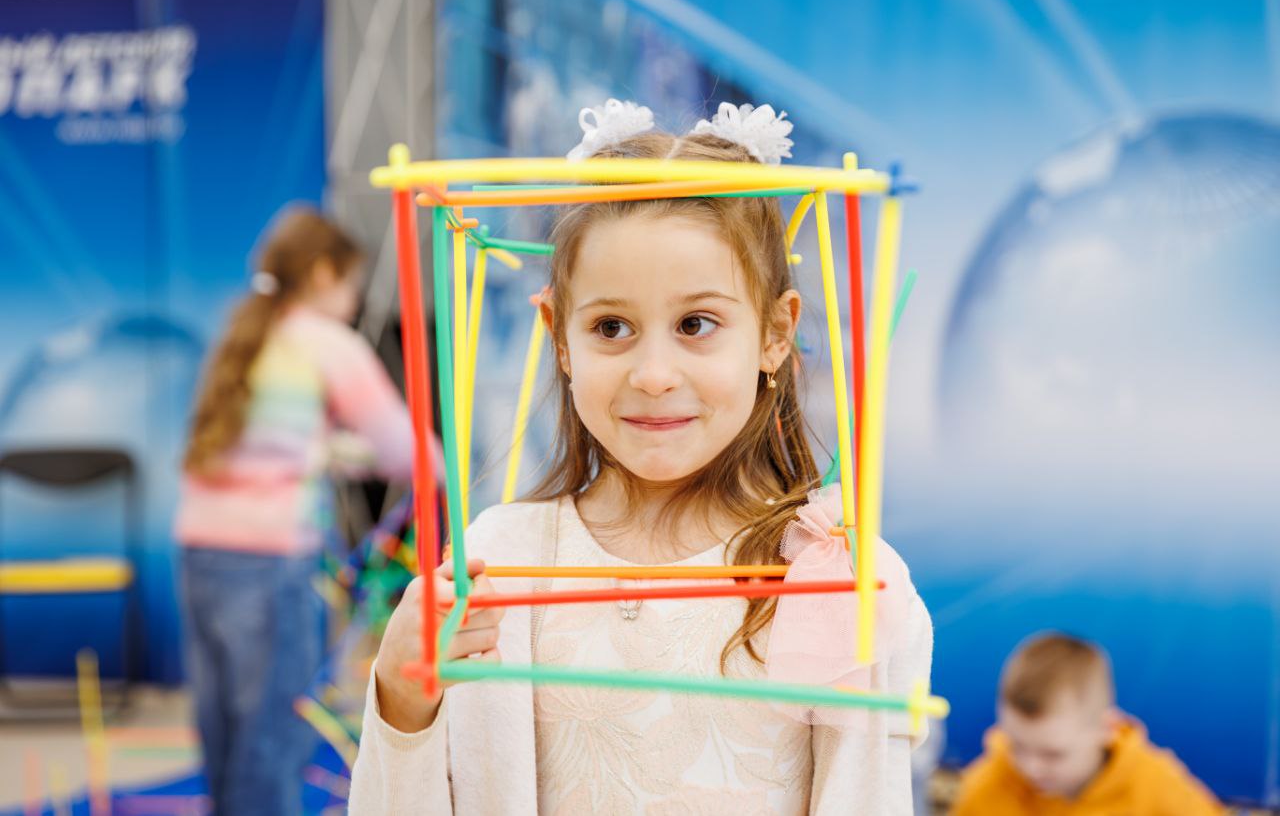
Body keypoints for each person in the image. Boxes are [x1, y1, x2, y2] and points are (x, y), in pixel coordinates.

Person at [349, 101, 934, 814]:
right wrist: (403, 697)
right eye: (611, 327)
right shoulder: (499, 559)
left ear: (775, 334)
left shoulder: (833, 574)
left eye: (696, 323)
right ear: (560, 338)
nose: (653, 374)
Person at [176, 207, 415, 816]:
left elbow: (264, 442)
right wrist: (447, 468)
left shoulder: (245, 332)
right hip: (269, 558)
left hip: (201, 547)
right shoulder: (326, 341)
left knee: (225, 727)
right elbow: (403, 449)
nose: (355, 300)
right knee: (272, 736)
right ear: (323, 272)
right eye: (351, 283)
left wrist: (332, 452)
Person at [950, 632, 1225, 815]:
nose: (1031, 767)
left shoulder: (1158, 790)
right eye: (1017, 746)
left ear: (1106, 729)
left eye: (1053, 754)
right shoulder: (984, 790)